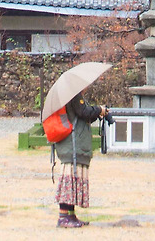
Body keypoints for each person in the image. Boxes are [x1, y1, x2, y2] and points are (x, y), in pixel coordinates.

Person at [53, 92, 108, 228]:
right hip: (72, 145)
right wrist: (99, 109)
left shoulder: (70, 95)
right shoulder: (73, 94)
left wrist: (96, 113)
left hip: (74, 144)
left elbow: (82, 116)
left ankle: (70, 215)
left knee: (73, 182)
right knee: (69, 181)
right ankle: (63, 217)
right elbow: (83, 112)